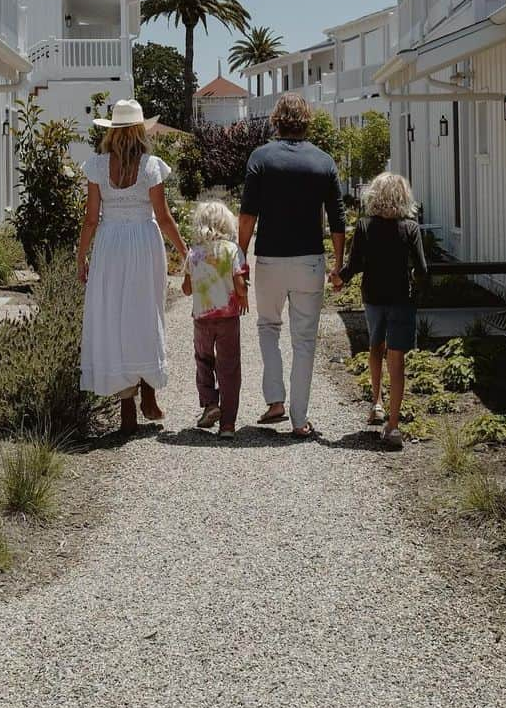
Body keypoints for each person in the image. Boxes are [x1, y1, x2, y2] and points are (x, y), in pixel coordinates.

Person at [77, 99, 188, 433]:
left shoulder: (97, 166)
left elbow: (91, 219)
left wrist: (81, 255)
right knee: (145, 314)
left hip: (110, 245)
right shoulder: (151, 165)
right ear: (141, 130)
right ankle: (148, 395)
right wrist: (185, 253)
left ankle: (128, 409)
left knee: (115, 319)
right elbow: (165, 218)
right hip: (143, 242)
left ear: (112, 131)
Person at [238, 93, 346, 438]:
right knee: (304, 341)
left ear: (276, 120)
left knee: (268, 327)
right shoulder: (324, 162)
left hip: (269, 259)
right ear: (307, 121)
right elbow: (338, 220)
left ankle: (275, 402)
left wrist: (240, 256)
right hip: (309, 261)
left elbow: (247, 214)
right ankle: (300, 420)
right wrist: (339, 265)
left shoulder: (261, 158)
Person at [340, 171, 428, 451]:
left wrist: (339, 278)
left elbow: (354, 265)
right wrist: (419, 289)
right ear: (403, 197)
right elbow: (422, 270)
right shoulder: (411, 228)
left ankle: (376, 402)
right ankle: (393, 426)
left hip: (373, 296)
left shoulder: (365, 227)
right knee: (397, 359)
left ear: (375, 196)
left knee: (375, 346)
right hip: (402, 298)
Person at [182, 200, 249, 438]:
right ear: (227, 223)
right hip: (228, 318)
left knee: (203, 360)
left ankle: (210, 403)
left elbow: (187, 289)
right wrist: (243, 296)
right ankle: (228, 424)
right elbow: (239, 285)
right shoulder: (231, 250)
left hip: (202, 319)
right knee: (229, 367)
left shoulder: (193, 253)